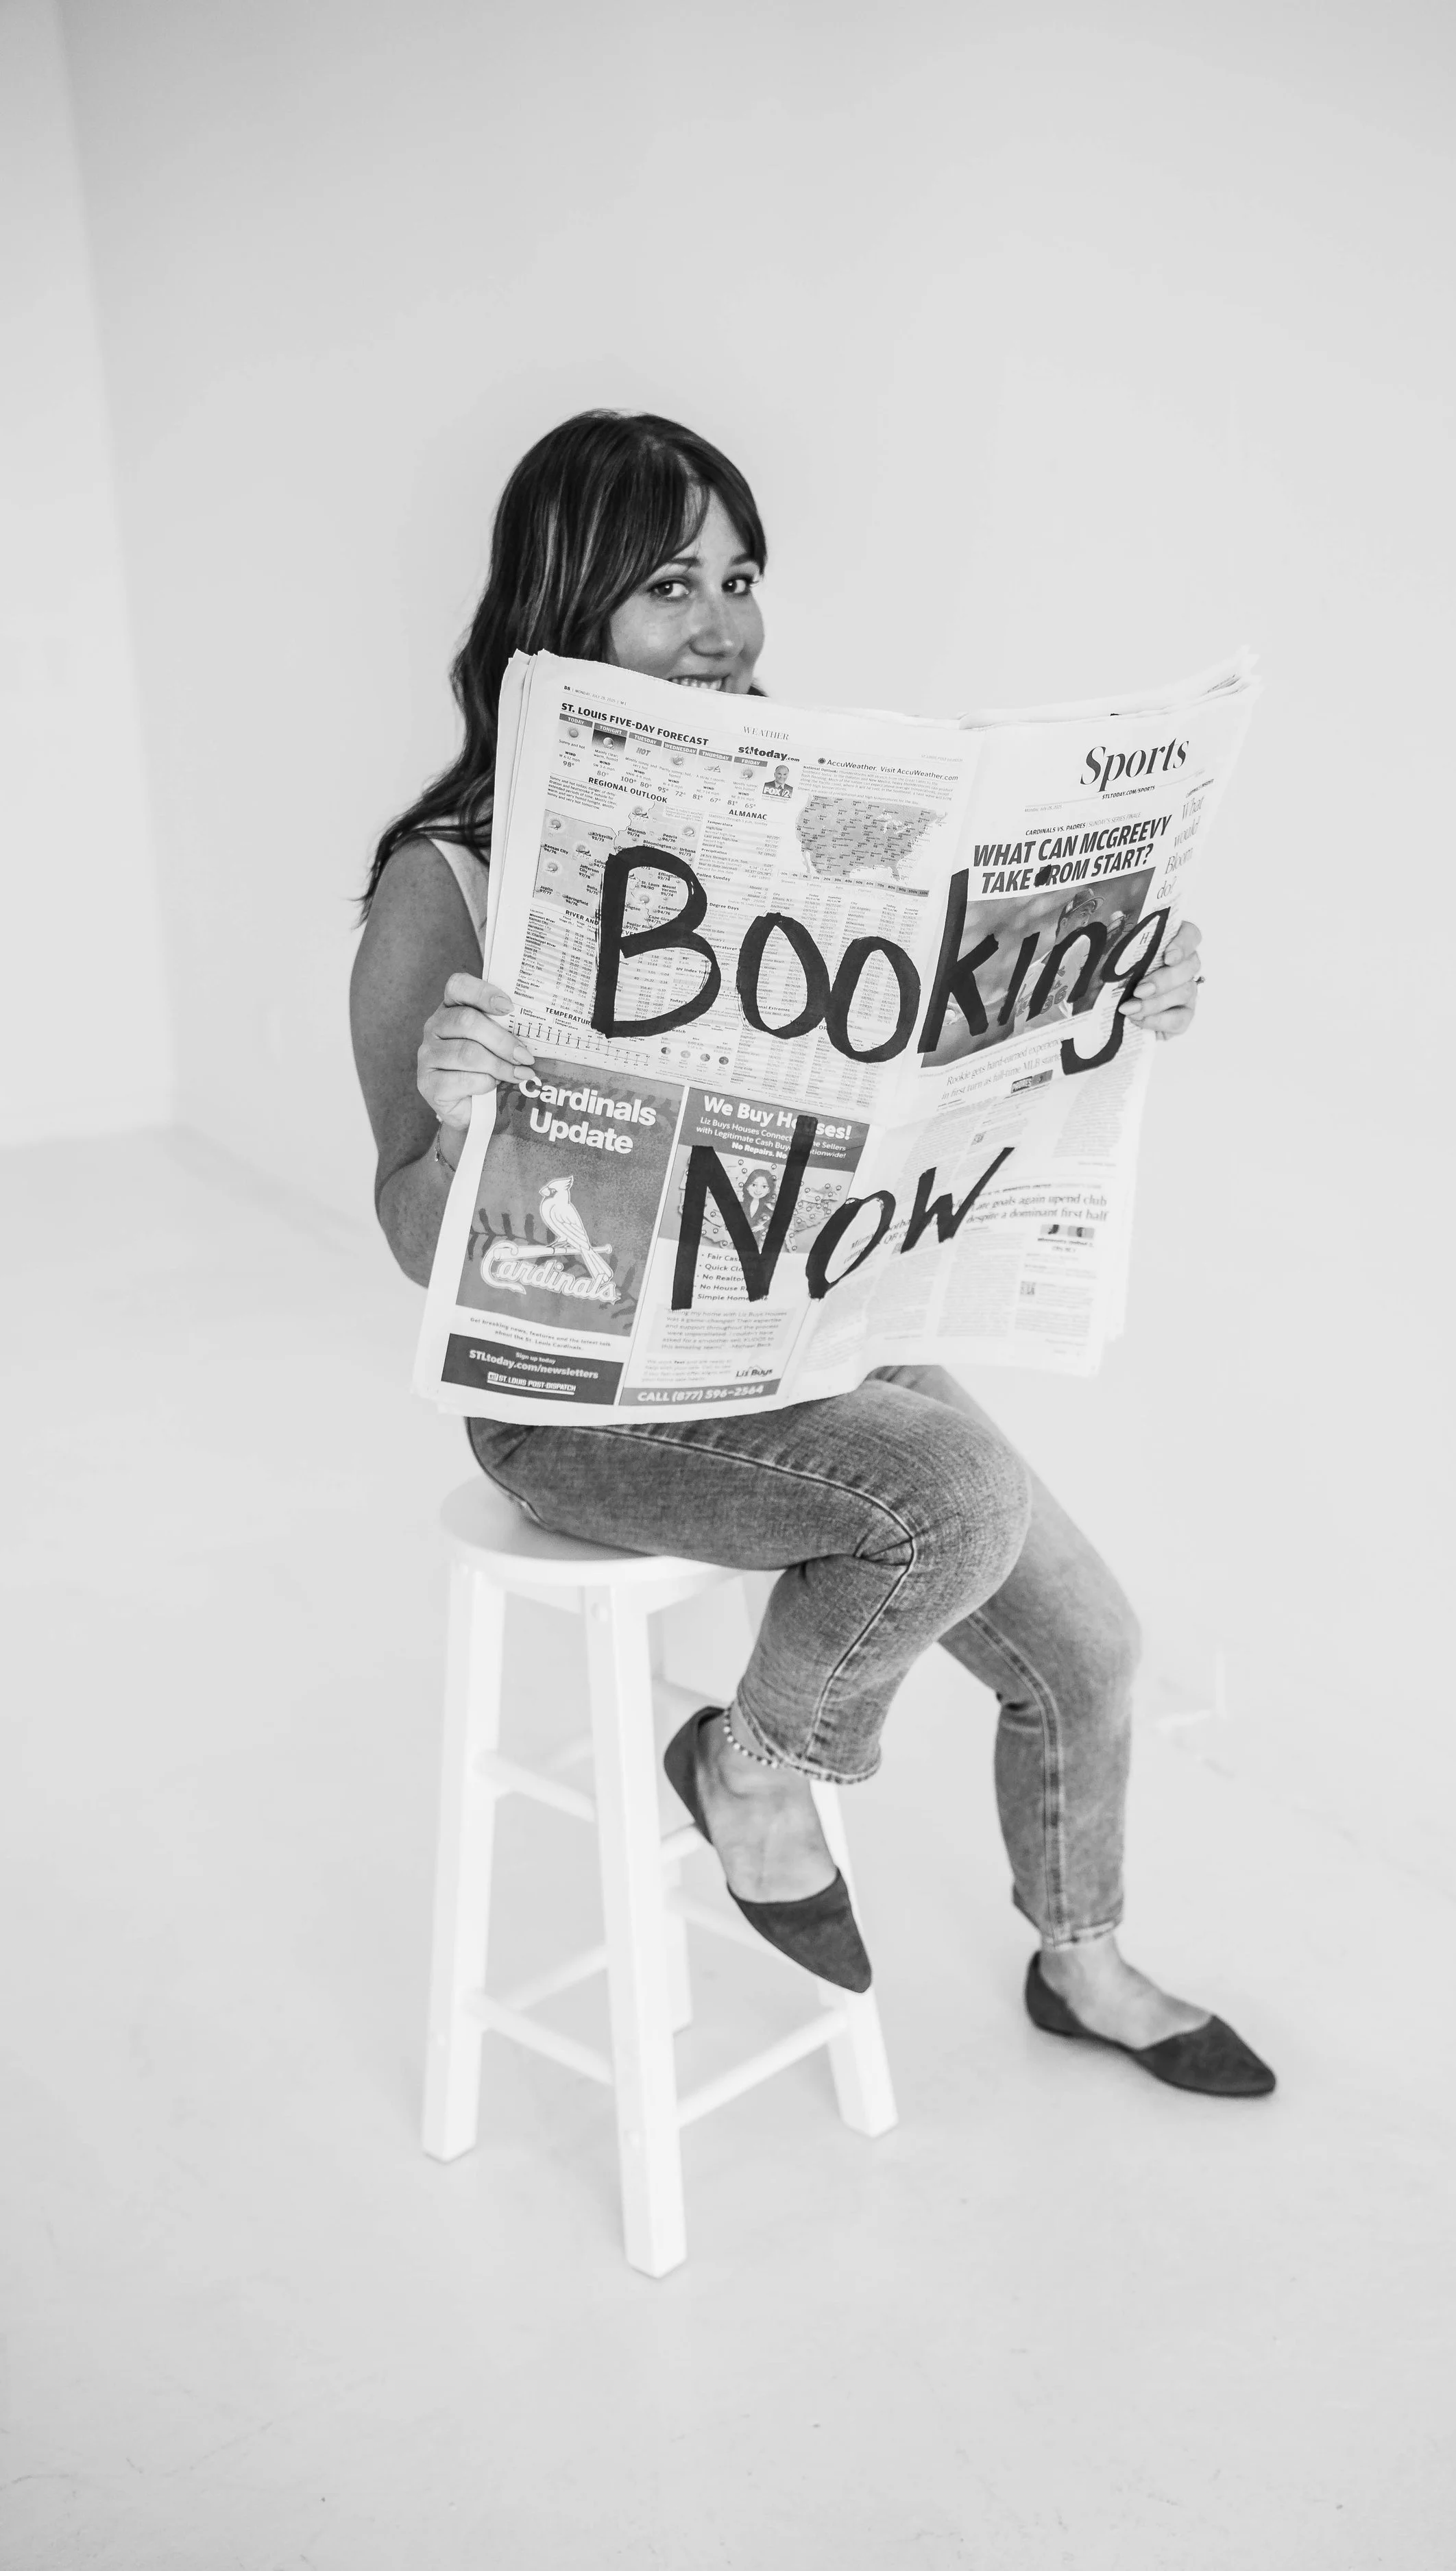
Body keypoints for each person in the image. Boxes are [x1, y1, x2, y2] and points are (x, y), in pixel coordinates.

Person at [350, 411, 1274, 2099]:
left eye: (741, 578)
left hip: (804, 1330)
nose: (720, 627)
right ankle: (756, 1766)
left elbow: (924, 1068)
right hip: (578, 1403)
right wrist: (454, 1115)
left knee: (1087, 1646)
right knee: (954, 1500)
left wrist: (1107, 1001)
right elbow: (421, 1246)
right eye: (666, 587)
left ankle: (1083, 1961)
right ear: (559, 613)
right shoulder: (447, 885)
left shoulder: (812, 821)